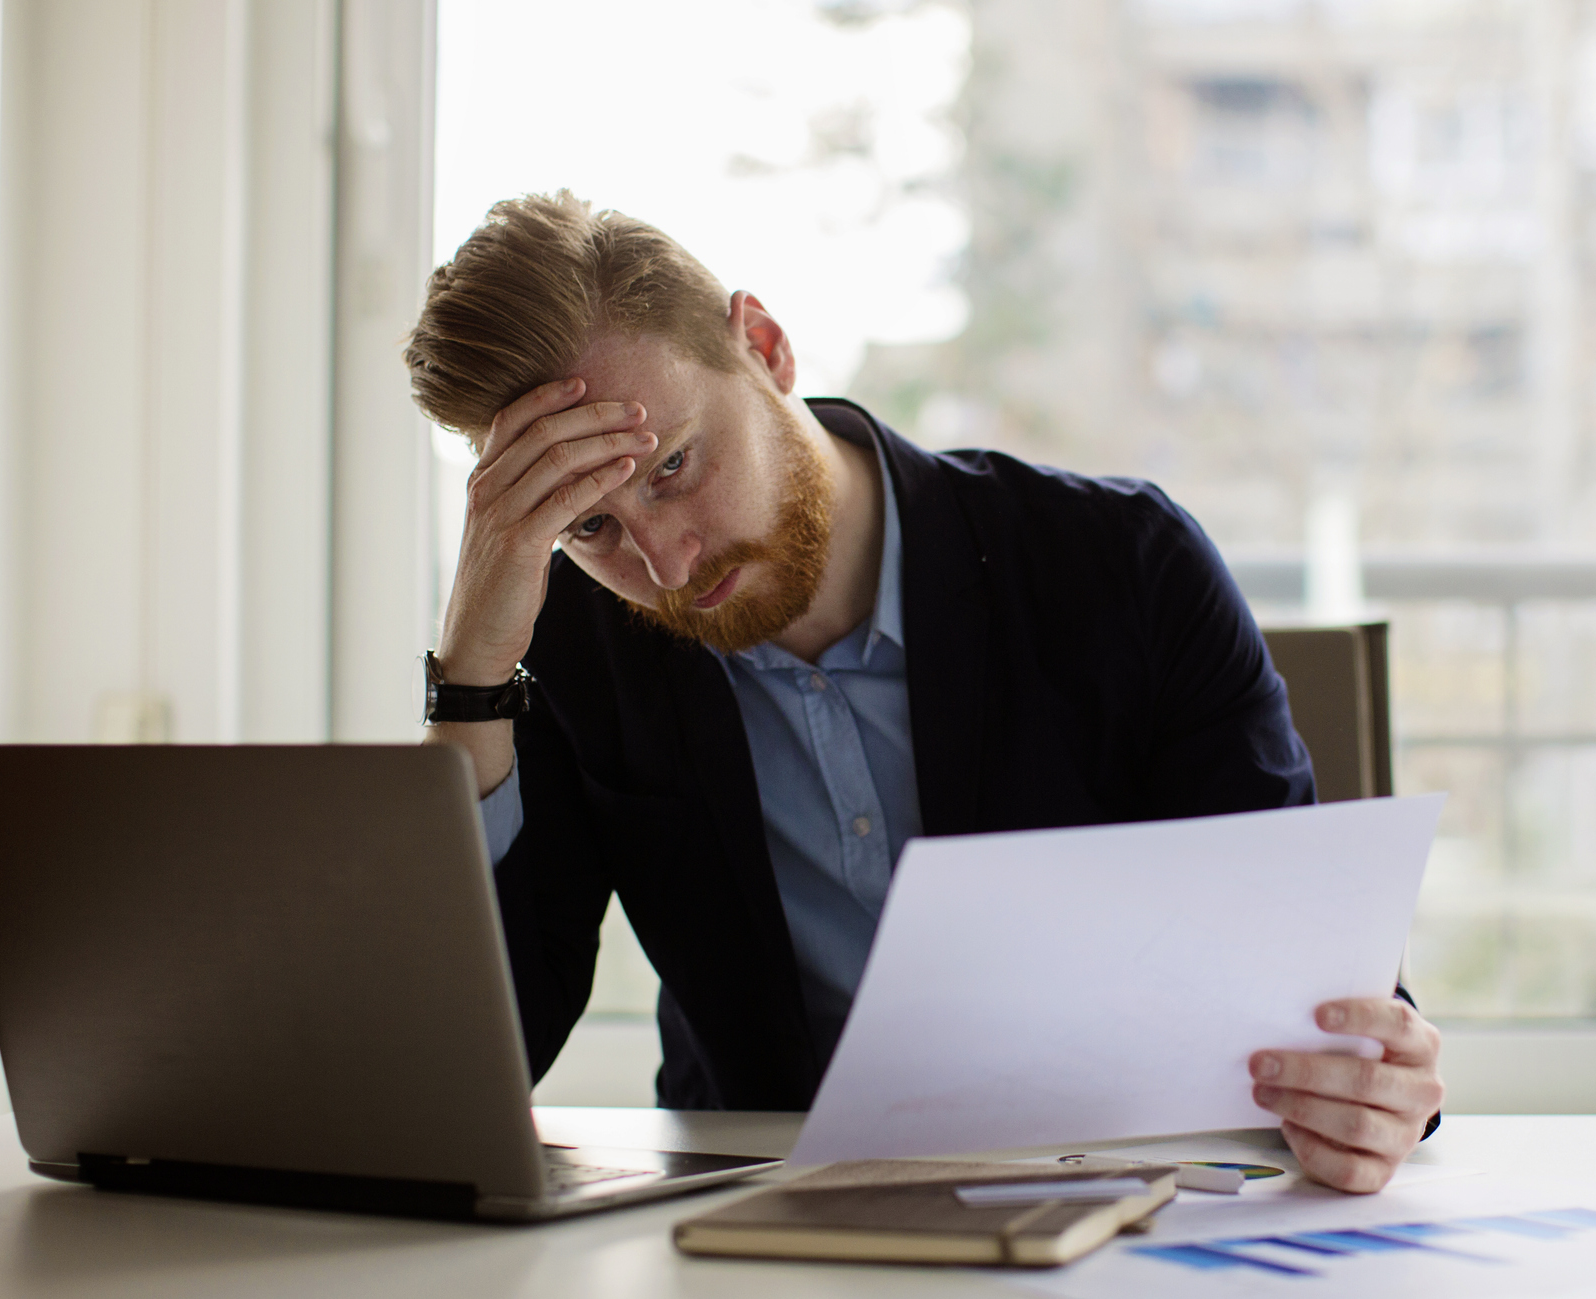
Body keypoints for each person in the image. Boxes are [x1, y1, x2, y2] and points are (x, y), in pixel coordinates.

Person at [405, 191, 1443, 1192]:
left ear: (763, 350)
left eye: (673, 464)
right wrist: (472, 680)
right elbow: (463, 1078)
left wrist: (1371, 1082)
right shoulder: (580, 650)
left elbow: (1305, 985)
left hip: (1122, 1195)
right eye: (589, 527)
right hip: (764, 1221)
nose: (665, 566)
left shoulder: (1122, 565)